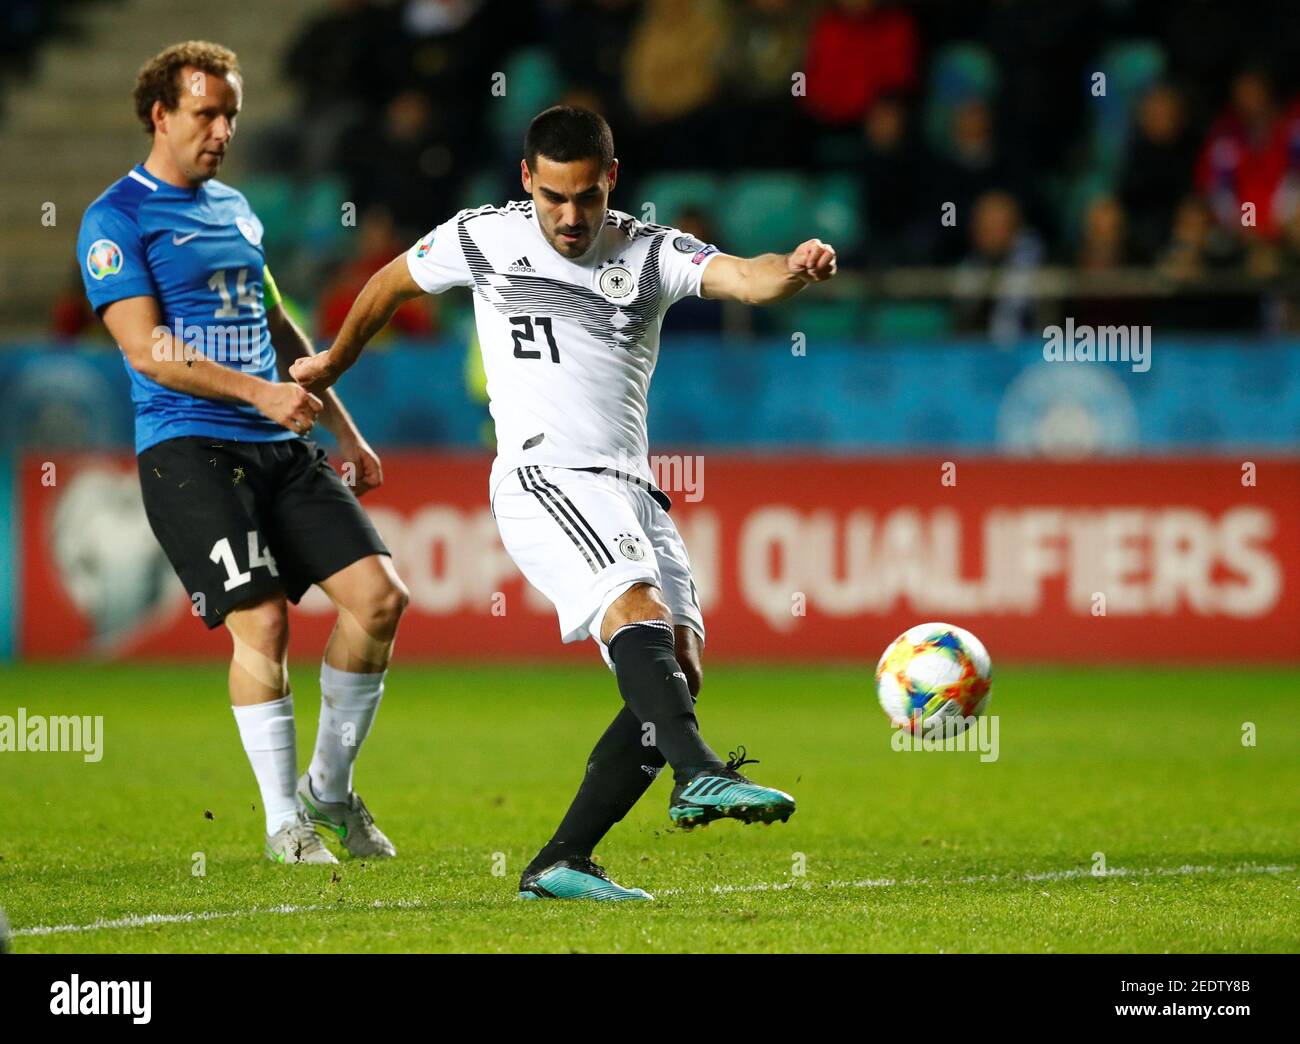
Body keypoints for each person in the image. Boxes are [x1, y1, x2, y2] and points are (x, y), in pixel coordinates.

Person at [292, 105, 837, 900]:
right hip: (544, 474)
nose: (570, 216)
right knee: (636, 610)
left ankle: (560, 861)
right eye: (553, 197)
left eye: (585, 197)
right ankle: (696, 774)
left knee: (679, 670)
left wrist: (795, 265)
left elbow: (747, 277)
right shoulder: (483, 234)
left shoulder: (650, 252)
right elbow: (390, 281)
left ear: (610, 181)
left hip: (631, 486)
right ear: (527, 181)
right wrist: (335, 363)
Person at [75, 41, 408, 865]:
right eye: (206, 114)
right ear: (160, 114)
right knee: (261, 619)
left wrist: (346, 427)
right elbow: (148, 349)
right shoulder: (115, 218)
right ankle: (280, 824)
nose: (221, 130)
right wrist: (262, 395)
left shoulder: (236, 209)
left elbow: (279, 326)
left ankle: (328, 794)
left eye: (231, 115)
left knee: (380, 599)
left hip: (279, 442)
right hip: (188, 446)